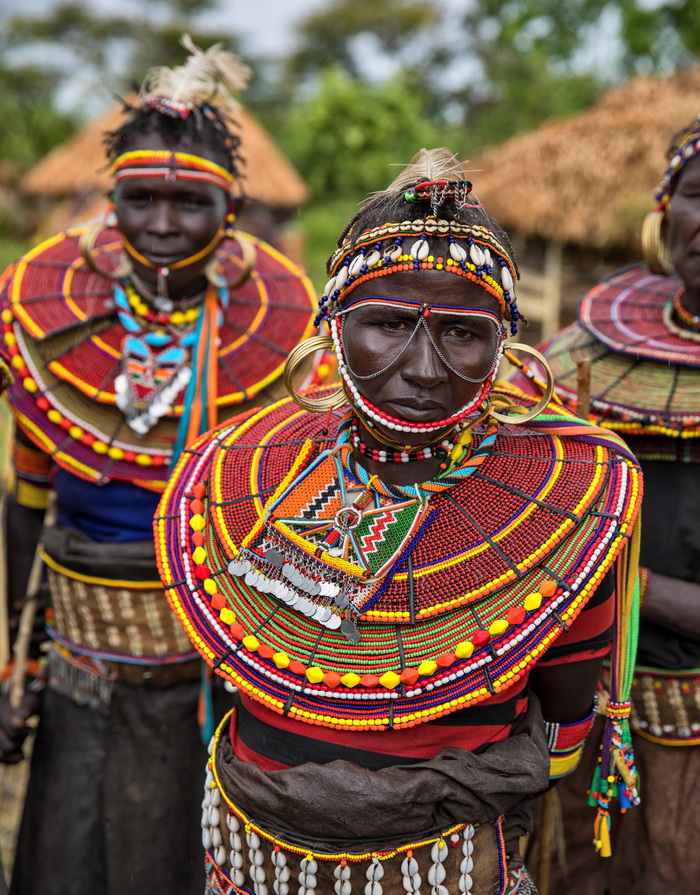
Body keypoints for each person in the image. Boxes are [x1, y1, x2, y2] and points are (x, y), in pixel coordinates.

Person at [154, 150, 643, 895]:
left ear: (503, 342)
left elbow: (566, 726)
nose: (422, 367)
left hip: (451, 858)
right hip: (254, 848)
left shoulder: (568, 497)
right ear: (334, 326)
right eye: (387, 323)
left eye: (461, 333)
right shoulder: (241, 471)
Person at [0, 37, 316, 895]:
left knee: (188, 847)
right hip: (81, 655)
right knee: (67, 851)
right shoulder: (48, 321)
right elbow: (29, 499)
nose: (165, 225)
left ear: (235, 207)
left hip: (211, 663)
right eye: (141, 200)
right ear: (110, 203)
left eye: (190, 203)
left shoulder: (284, 333)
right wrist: (17, 663)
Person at [508, 116, 700, 894]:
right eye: (698, 194)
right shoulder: (584, 356)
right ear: (665, 211)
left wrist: (628, 581)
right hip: (584, 697)